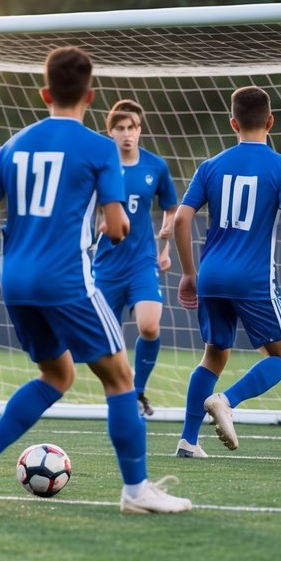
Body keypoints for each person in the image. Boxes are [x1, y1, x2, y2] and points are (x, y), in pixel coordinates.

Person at [0, 46, 191, 516]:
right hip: (67, 282)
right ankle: (136, 489)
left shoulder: (15, 143)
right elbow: (119, 226)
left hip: (17, 283)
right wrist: (112, 223)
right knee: (121, 378)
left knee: (57, 374)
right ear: (90, 95)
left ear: (45, 93)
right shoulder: (101, 148)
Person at [171, 86, 281, 458]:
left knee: (214, 356)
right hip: (252, 279)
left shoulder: (211, 166)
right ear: (270, 121)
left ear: (233, 122)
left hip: (212, 276)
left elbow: (182, 220)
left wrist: (189, 273)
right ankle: (226, 401)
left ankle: (188, 441)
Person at [92, 99, 178, 417]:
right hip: (106, 265)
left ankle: (137, 391)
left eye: (132, 128)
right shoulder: (100, 166)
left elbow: (171, 207)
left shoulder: (155, 166)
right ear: (110, 132)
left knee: (150, 326)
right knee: (104, 342)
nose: (127, 134)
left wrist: (166, 244)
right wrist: (94, 229)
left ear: (140, 130)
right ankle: (123, 390)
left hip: (142, 261)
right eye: (120, 128)